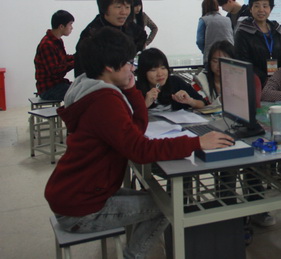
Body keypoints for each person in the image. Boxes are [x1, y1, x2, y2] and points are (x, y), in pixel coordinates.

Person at [44, 27, 233, 259]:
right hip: (81, 207)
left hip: (79, 193)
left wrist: (131, 90)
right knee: (167, 207)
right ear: (109, 67)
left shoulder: (93, 88)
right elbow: (140, 150)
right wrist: (197, 142)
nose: (132, 68)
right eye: (127, 63)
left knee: (160, 199)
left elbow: (135, 130)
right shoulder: (104, 101)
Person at [75, 0, 146, 76]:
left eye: (127, 7)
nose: (124, 12)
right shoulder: (92, 35)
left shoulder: (132, 29)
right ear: (104, 8)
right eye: (118, 7)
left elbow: (140, 41)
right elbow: (83, 71)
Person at [234, 0, 281, 87]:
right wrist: (264, 79)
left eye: (265, 6)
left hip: (279, 82)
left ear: (270, 9)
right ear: (250, 9)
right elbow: (243, 61)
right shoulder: (243, 32)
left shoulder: (277, 30)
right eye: (257, 6)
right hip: (255, 83)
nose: (261, 10)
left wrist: (279, 76)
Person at [192, 40, 262, 108]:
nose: (219, 65)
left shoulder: (243, 80)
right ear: (209, 62)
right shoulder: (200, 81)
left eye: (224, 61)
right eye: (215, 61)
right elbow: (201, 107)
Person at [136, 48, 205, 111]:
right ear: (143, 72)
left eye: (163, 68)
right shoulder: (135, 89)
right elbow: (132, 117)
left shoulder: (175, 82)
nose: (160, 74)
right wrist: (145, 104)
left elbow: (202, 103)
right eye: (153, 70)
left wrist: (190, 101)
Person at [34, 10, 75, 101]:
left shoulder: (57, 41)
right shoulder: (47, 44)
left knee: (83, 88)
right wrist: (76, 62)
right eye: (70, 24)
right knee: (81, 92)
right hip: (48, 89)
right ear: (61, 26)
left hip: (57, 84)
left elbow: (63, 59)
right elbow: (55, 72)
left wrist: (78, 56)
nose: (72, 28)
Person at [196, 0, 234, 64]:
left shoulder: (203, 20)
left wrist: (206, 51)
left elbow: (199, 41)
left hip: (212, 58)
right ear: (217, 7)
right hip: (229, 57)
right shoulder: (227, 19)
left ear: (204, 8)